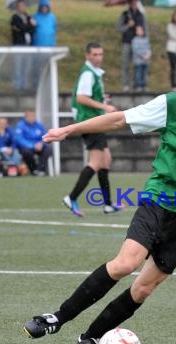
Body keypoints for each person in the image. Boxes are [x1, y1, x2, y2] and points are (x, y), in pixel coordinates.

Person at [23, 44, 176, 344]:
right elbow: (119, 119)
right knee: (125, 263)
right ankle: (57, 318)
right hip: (159, 200)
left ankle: (89, 338)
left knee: (145, 288)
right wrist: (71, 129)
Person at [62, 42, 120, 217]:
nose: (98, 58)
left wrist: (102, 99)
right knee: (95, 162)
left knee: (106, 160)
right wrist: (104, 106)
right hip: (91, 121)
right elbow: (81, 98)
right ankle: (71, 198)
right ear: (87, 55)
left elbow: (88, 95)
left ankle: (108, 204)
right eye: (94, 54)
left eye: (100, 54)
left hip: (96, 120)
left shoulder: (93, 73)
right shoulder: (88, 74)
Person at [117, 0, 145, 92]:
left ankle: (136, 84)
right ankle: (126, 84)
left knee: (138, 65)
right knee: (125, 64)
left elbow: (144, 29)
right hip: (127, 42)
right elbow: (118, 28)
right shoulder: (125, 14)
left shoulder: (140, 15)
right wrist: (128, 25)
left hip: (138, 44)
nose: (134, 4)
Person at [14, 109, 51, 176]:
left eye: (33, 116)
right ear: (26, 117)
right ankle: (33, 170)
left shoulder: (39, 125)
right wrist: (33, 145)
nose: (32, 118)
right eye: (30, 116)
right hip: (27, 147)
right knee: (26, 152)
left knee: (48, 149)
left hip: (39, 146)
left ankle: (41, 170)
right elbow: (19, 139)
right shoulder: (20, 125)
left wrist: (41, 143)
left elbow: (45, 136)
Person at [10, 0, 36, 91]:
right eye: (20, 6)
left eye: (23, 6)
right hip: (19, 45)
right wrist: (29, 26)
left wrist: (28, 27)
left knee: (26, 67)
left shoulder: (28, 16)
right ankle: (18, 86)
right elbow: (22, 28)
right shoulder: (15, 17)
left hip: (27, 46)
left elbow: (32, 29)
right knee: (18, 67)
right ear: (17, 7)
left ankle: (25, 85)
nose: (22, 7)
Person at [131, 25, 151, 92]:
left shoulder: (146, 39)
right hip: (138, 61)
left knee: (144, 73)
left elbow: (148, 48)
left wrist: (148, 54)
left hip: (145, 61)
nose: (140, 31)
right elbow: (135, 50)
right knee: (138, 73)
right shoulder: (134, 40)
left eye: (141, 30)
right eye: (138, 30)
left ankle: (144, 85)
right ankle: (138, 86)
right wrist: (142, 55)